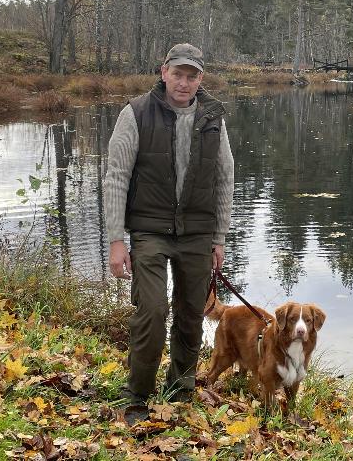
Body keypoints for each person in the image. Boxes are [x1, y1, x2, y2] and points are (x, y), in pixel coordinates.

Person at [103, 43, 234, 425]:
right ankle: (137, 397)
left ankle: (180, 388)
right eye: (177, 73)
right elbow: (116, 178)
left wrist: (220, 238)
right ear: (163, 72)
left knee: (192, 313)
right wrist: (116, 240)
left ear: (200, 80)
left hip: (197, 233)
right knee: (154, 310)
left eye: (191, 76)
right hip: (149, 230)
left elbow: (225, 179)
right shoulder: (136, 113)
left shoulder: (213, 117)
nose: (184, 82)